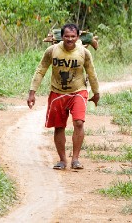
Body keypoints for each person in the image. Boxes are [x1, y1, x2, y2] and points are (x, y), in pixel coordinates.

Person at [27, 23, 100, 170]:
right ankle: (62, 160)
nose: (70, 39)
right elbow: (41, 70)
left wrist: (96, 92)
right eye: (67, 36)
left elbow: (91, 72)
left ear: (78, 37)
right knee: (59, 127)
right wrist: (32, 92)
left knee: (79, 123)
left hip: (78, 91)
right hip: (57, 93)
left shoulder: (84, 53)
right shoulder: (52, 51)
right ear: (62, 37)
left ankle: (76, 159)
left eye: (73, 36)